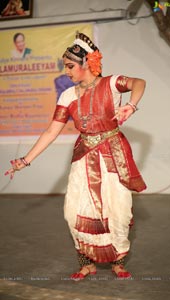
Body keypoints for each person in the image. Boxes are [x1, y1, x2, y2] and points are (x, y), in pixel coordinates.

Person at [5, 32, 147, 280]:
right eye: (65, 67)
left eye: (70, 66)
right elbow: (51, 131)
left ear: (87, 63)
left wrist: (131, 105)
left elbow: (139, 82)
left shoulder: (111, 83)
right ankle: (87, 263)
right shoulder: (67, 96)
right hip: (84, 157)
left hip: (113, 155)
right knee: (75, 211)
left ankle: (118, 261)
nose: (67, 71)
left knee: (118, 210)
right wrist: (25, 160)